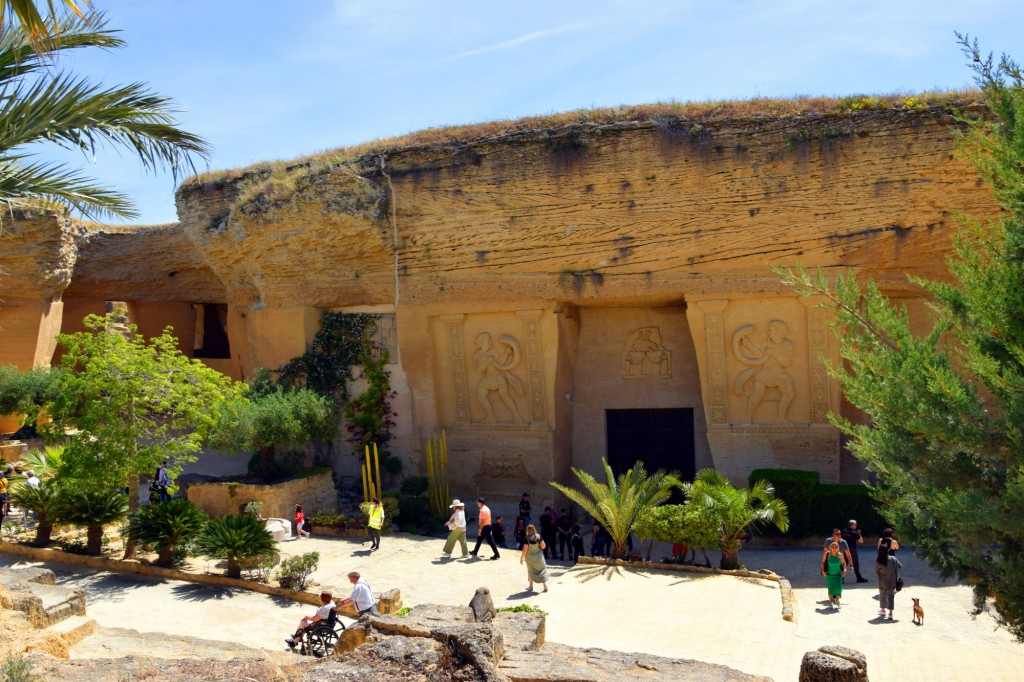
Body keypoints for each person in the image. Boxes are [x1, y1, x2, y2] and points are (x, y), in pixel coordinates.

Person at [874, 543, 903, 620]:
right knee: (891, 597)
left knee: (882, 596)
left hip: (882, 582)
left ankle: (883, 611)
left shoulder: (878, 561)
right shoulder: (893, 559)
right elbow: (900, 566)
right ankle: (890, 614)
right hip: (892, 581)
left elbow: (876, 573)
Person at [520, 524, 549, 592]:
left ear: (527, 530)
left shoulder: (526, 538)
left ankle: (531, 586)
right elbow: (544, 546)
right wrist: (538, 547)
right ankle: (544, 585)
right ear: (534, 529)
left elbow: (525, 550)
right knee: (542, 570)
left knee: (531, 571)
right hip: (539, 557)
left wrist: (521, 558)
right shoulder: (538, 536)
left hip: (530, 558)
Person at [822, 541, 847, 609]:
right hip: (829, 574)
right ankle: (831, 602)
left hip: (838, 575)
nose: (834, 548)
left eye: (836, 547)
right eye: (833, 547)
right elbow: (823, 562)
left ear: (838, 548)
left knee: (839, 588)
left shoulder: (840, 555)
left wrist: (844, 569)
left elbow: (844, 563)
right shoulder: (827, 554)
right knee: (831, 589)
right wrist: (823, 571)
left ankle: (837, 600)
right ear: (830, 548)